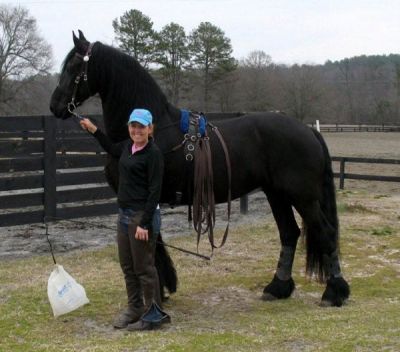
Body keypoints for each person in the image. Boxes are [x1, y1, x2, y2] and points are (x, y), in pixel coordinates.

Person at [79, 108, 170, 331]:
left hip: (142, 216)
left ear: (150, 129)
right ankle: (135, 307)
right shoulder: (127, 148)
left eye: (141, 126)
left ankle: (153, 315)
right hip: (124, 215)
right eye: (133, 126)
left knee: (144, 268)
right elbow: (110, 147)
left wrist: (145, 223)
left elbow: (155, 191)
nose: (137, 130)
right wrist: (94, 130)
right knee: (128, 266)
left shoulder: (153, 154)